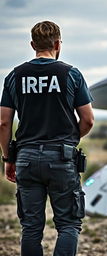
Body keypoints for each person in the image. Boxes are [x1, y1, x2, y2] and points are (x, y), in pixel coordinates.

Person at [0, 21, 94, 256]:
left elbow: (3, 123)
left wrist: (8, 158)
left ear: (32, 45)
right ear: (58, 44)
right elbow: (88, 120)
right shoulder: (71, 74)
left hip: (27, 157)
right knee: (68, 225)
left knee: (30, 228)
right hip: (62, 157)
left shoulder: (14, 76)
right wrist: (70, 139)